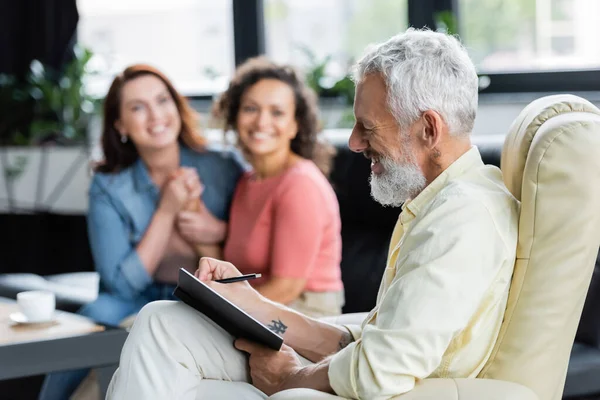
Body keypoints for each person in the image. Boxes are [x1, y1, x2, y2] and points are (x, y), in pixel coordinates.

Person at [106, 28, 520, 400]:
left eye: (368, 127)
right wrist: (249, 302)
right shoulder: (435, 204)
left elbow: (381, 368)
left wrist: (292, 378)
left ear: (429, 129)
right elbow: (367, 339)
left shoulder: (462, 219)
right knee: (160, 322)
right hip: (353, 359)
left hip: (388, 389)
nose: (355, 144)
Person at [39, 64, 244, 400]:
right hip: (131, 298)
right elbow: (119, 283)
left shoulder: (224, 166)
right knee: (96, 315)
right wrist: (166, 210)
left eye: (162, 101)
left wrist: (218, 228)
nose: (155, 115)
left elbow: (253, 245)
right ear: (120, 124)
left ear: (177, 106)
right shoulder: (109, 186)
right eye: (137, 107)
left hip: (201, 295)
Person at [213, 57, 344, 317]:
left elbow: (285, 288)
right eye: (251, 109)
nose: (262, 122)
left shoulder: (300, 184)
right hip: (260, 307)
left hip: (304, 314)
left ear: (295, 125)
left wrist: (214, 311)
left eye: (277, 112)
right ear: (235, 116)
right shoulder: (248, 181)